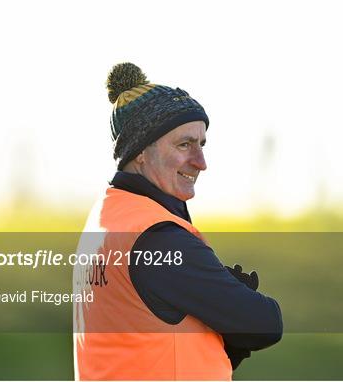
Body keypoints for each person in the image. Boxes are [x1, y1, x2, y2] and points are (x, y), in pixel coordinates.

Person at [73, 63, 283, 381]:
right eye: (184, 144)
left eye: (202, 145)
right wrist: (232, 325)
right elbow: (266, 323)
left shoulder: (106, 218)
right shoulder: (157, 237)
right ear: (141, 152)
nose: (200, 162)